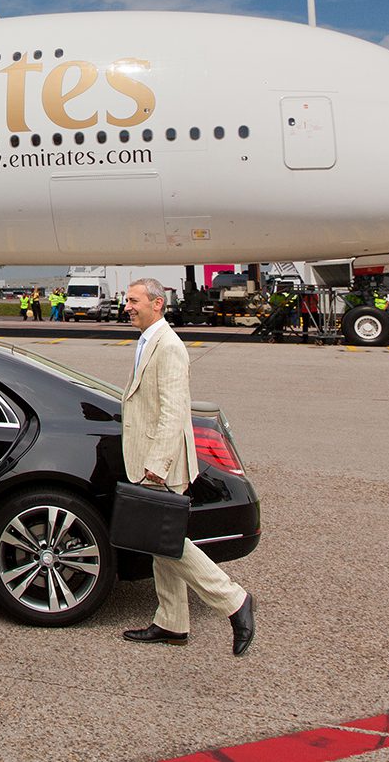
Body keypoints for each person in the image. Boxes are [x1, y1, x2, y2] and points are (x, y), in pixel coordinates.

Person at [119, 277, 256, 656]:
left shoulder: (170, 347)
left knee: (167, 540)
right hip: (149, 457)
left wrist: (157, 463)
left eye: (134, 300)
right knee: (159, 543)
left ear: (157, 304)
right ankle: (172, 622)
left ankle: (234, 600)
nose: (127, 306)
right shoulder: (149, 341)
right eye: (127, 300)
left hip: (159, 461)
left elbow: (173, 410)